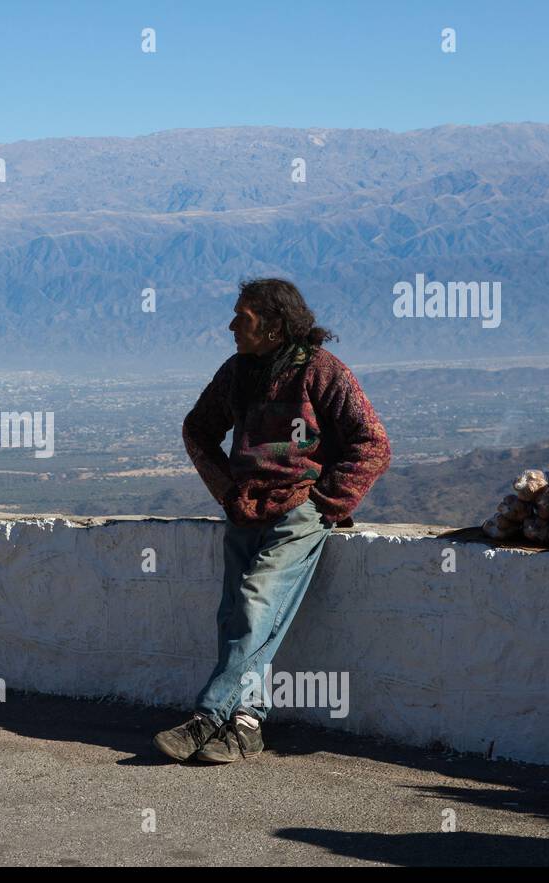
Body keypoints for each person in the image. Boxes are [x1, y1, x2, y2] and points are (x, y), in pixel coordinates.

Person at [154, 278, 391, 764]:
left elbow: (372, 443)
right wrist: (226, 491)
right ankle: (246, 724)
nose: (231, 326)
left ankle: (207, 716)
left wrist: (325, 503)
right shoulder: (237, 373)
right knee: (236, 617)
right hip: (246, 507)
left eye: (244, 318)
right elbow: (197, 429)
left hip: (299, 510)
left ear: (276, 326)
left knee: (254, 602)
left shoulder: (322, 372)